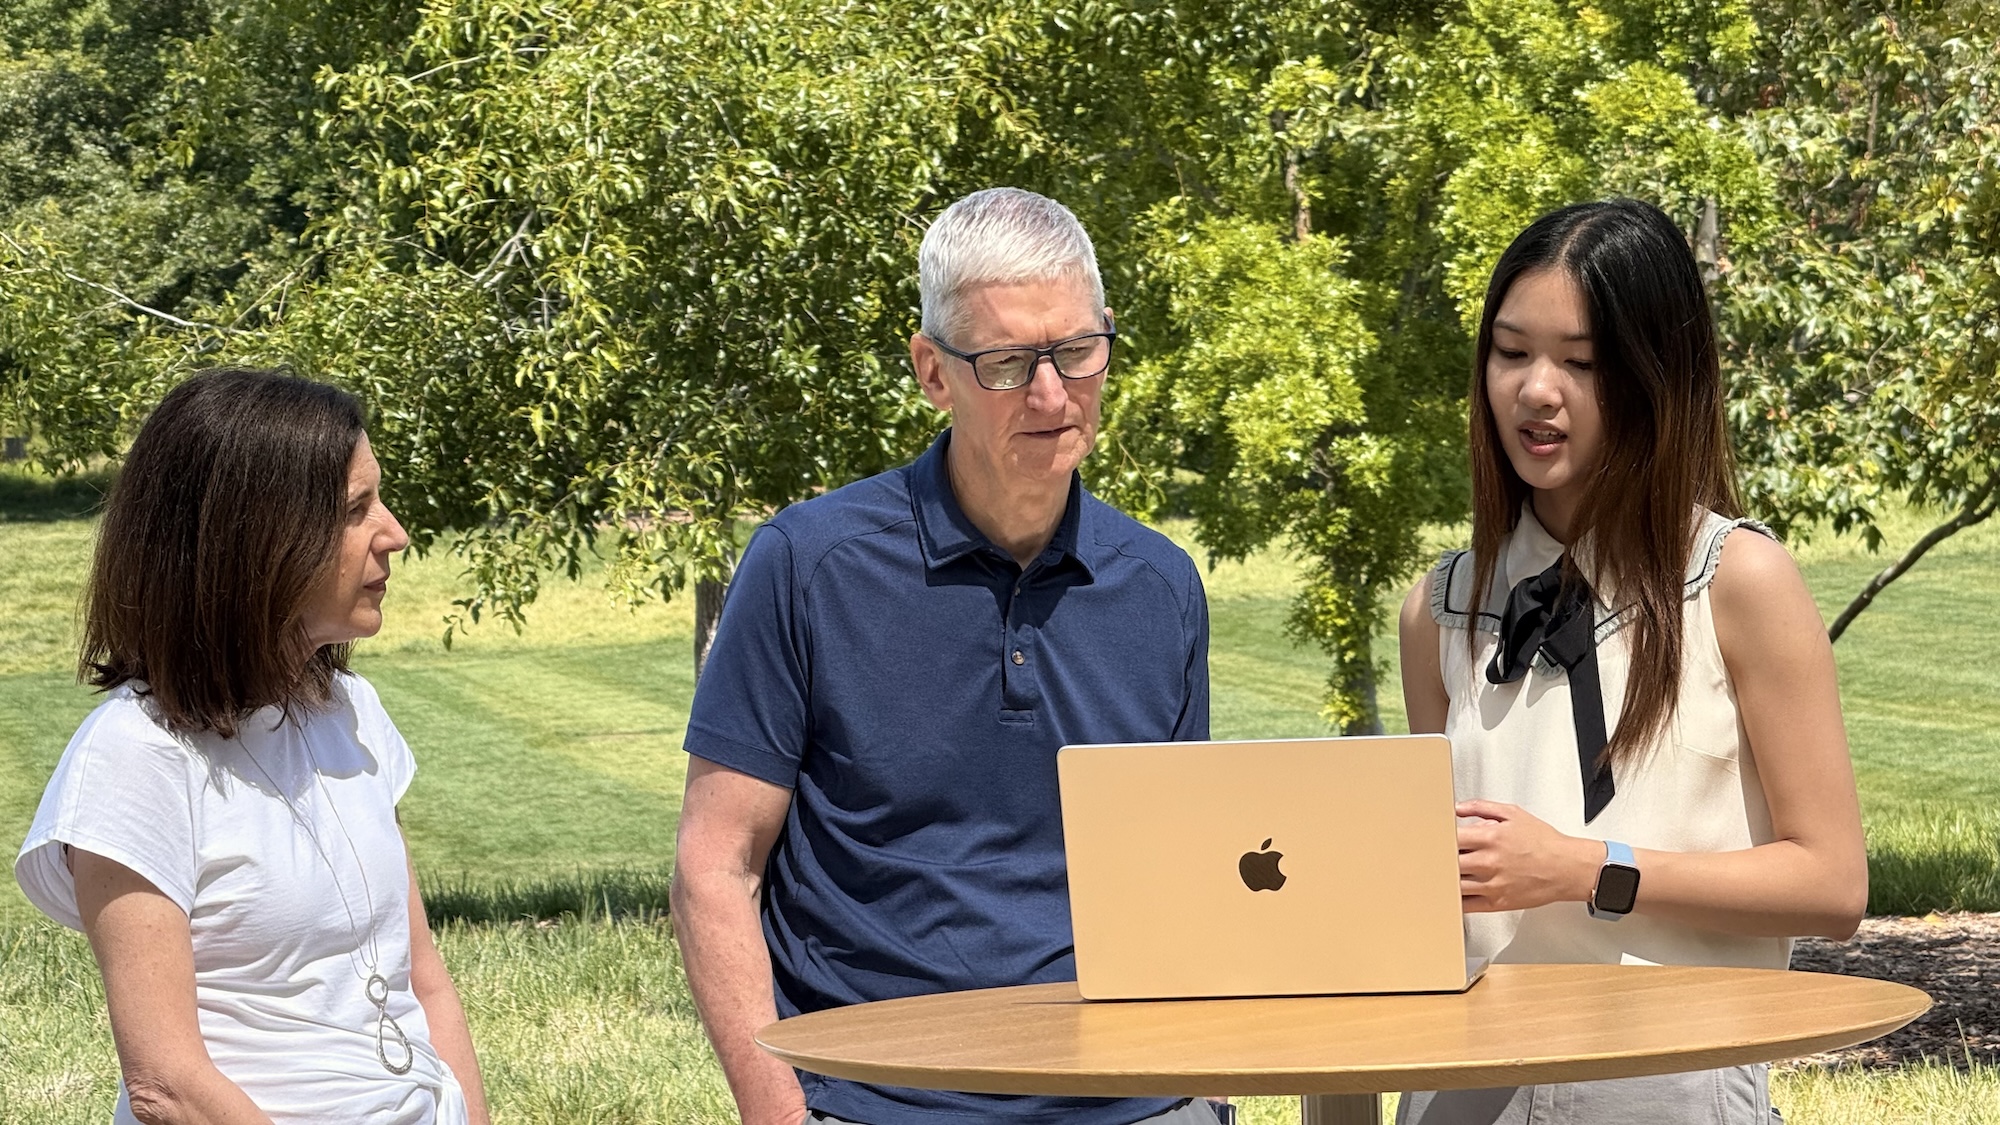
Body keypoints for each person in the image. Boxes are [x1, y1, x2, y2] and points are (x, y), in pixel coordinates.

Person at [670, 187, 1214, 1125]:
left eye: (1078, 352)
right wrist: (780, 1115)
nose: (1052, 395)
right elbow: (715, 866)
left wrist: (1205, 1088)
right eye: (1006, 363)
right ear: (933, 371)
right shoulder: (808, 564)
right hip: (878, 1100)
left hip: (1134, 1101)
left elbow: (1191, 876)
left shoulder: (1160, 586)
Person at [1396, 199, 1868, 1124]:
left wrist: (1585, 867)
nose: (1537, 390)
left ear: (1657, 376)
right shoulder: (1439, 609)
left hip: (1669, 1077)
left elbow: (1832, 883)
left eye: (1581, 362)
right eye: (1511, 351)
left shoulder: (1737, 581)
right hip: (1461, 1080)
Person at [14, 368, 490, 1125]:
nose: (395, 533)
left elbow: (422, 978)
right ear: (254, 542)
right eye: (355, 510)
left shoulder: (351, 712)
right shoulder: (136, 757)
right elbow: (167, 1085)